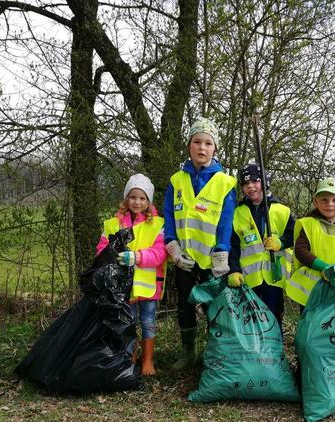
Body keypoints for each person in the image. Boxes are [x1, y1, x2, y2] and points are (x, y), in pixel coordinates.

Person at [163, 116, 237, 371]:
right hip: (184, 258)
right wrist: (172, 247)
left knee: (214, 307)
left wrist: (222, 252)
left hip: (210, 259)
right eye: (197, 142)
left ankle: (215, 353)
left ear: (214, 148)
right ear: (189, 146)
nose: (202, 148)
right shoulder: (176, 181)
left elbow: (227, 221)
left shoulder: (225, 183)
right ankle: (188, 352)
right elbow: (170, 216)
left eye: (208, 143)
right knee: (184, 304)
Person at [96, 173, 167, 376]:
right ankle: (128, 359)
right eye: (133, 197)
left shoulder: (159, 224)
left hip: (148, 286)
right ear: (126, 199)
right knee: (127, 322)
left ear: (149, 201)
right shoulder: (112, 224)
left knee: (148, 322)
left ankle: (147, 362)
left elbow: (161, 253)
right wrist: (115, 255)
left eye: (142, 198)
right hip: (122, 287)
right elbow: (101, 250)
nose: (137, 202)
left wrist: (137, 257)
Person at [228, 163, 295, 331]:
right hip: (249, 278)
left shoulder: (282, 210)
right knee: (251, 319)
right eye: (245, 183)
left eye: (255, 181)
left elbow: (295, 236)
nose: (250, 186)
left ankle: (276, 352)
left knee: (274, 315)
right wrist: (233, 270)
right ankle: (256, 354)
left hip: (275, 275)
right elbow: (233, 245)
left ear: (264, 182)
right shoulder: (237, 213)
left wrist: (281, 242)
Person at [285, 177, 335, 307]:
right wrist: (325, 268)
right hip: (310, 292)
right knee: (310, 326)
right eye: (324, 199)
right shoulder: (308, 224)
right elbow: (301, 251)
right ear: (316, 202)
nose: (329, 204)